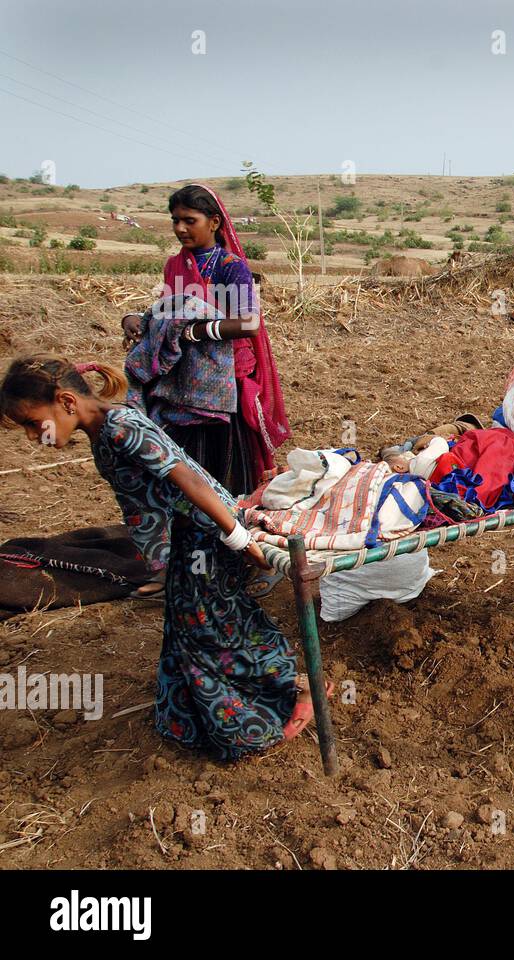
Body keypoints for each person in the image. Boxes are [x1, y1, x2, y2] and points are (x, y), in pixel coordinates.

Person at [1, 356, 322, 760]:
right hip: (184, 544)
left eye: (33, 423)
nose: (34, 436)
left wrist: (240, 538)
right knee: (203, 626)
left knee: (210, 630)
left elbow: (185, 477)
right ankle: (214, 709)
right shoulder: (106, 426)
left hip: (205, 536)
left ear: (66, 402)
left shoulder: (120, 426)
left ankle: (293, 687)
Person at [121, 184, 290, 597]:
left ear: (214, 222)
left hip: (224, 389)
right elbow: (167, 312)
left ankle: (258, 561)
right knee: (182, 476)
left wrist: (194, 330)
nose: (180, 228)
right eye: (175, 221)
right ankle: (186, 567)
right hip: (181, 387)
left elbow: (248, 323)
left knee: (229, 479)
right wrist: (139, 320)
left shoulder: (230, 268)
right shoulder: (174, 266)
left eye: (189, 221)